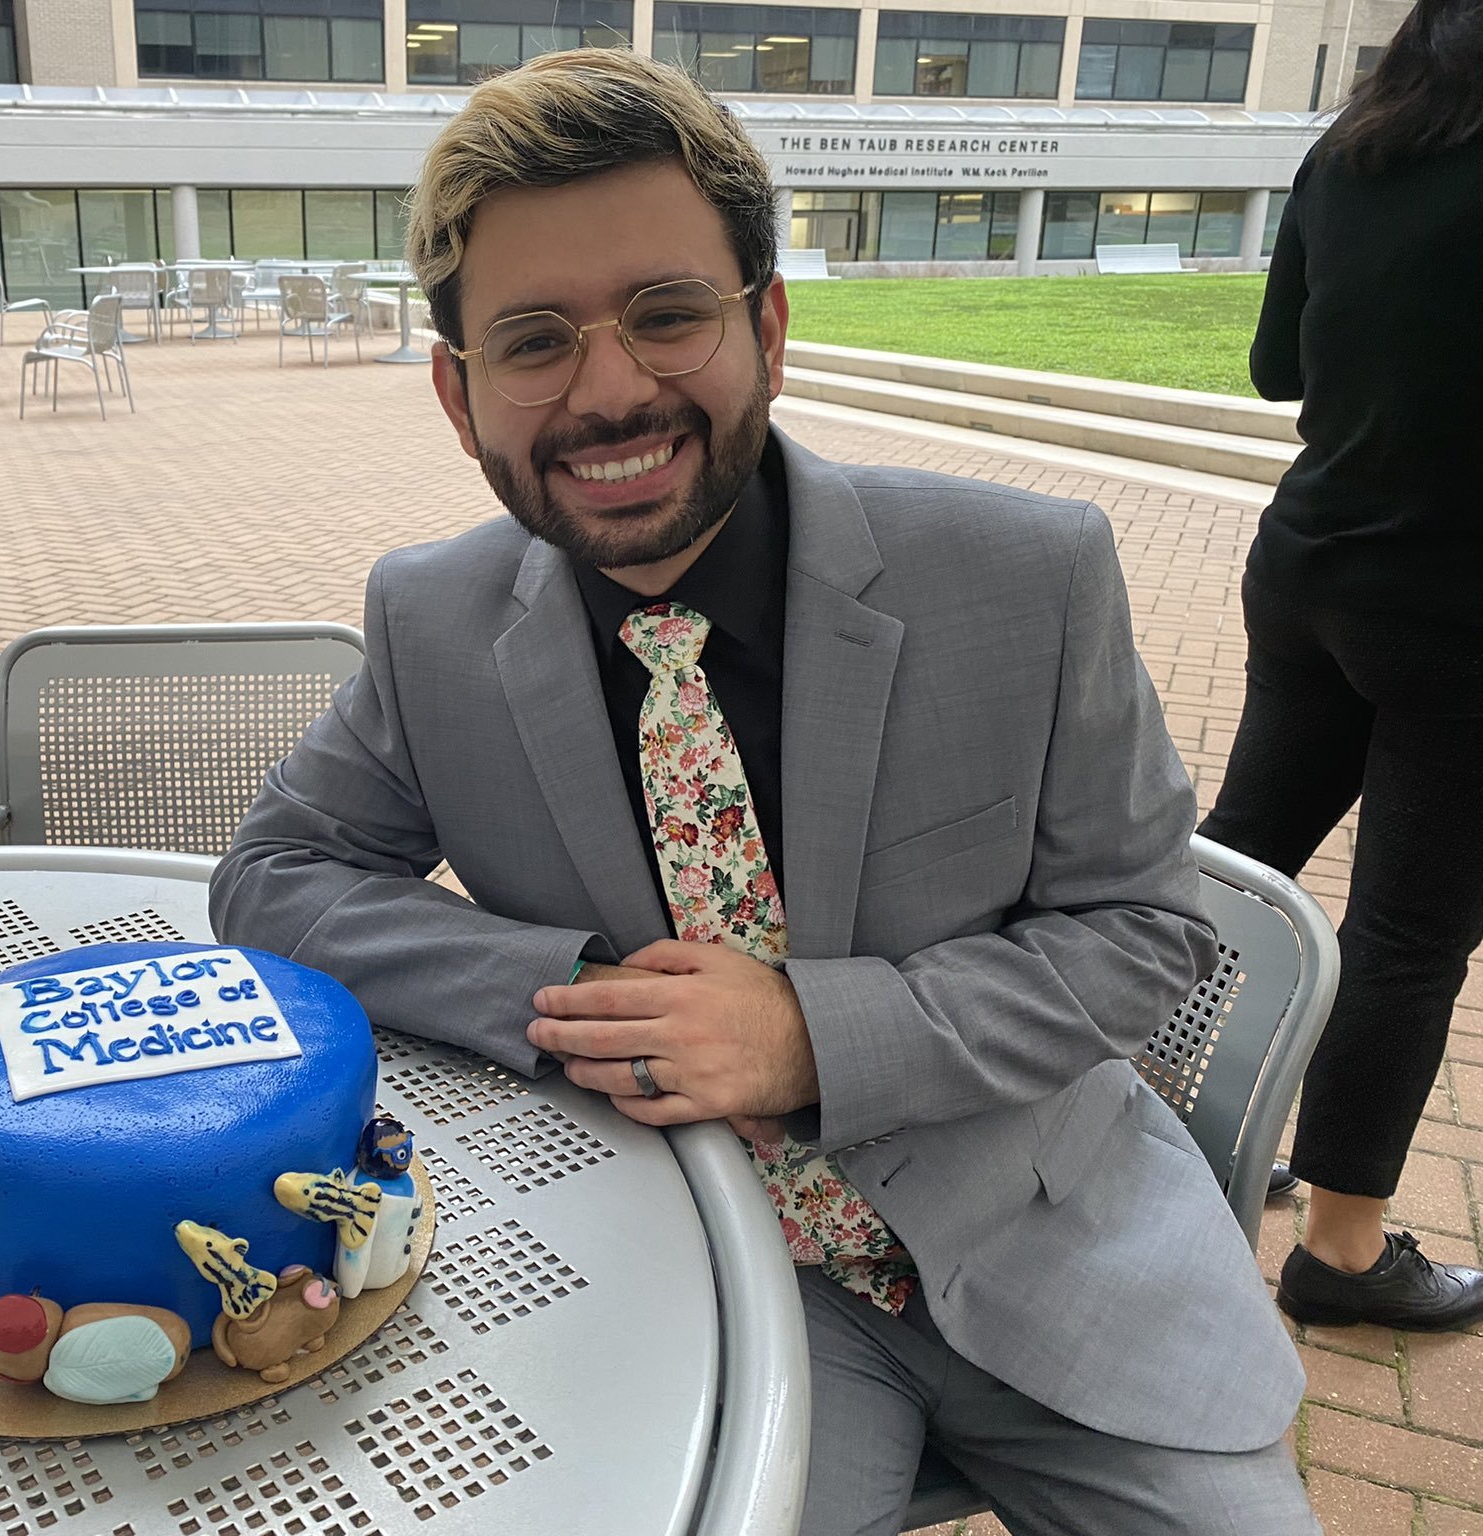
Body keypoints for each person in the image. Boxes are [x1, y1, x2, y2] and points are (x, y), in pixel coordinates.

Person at [211, 49, 1314, 1535]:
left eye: (667, 316)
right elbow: (278, 877)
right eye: (534, 342)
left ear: (770, 327)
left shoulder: (1028, 576)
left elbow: (1142, 933)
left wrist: (808, 1033)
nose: (611, 393)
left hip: (1059, 1254)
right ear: (459, 395)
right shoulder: (433, 620)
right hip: (711, 1284)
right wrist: (584, 993)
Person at [1198, 0, 1483, 1331]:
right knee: (1409, 940)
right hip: (1458, 608)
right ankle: (1345, 1254)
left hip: (1308, 564)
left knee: (1239, 858)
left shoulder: (1350, 148)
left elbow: (1272, 365)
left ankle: (1156, 1123)